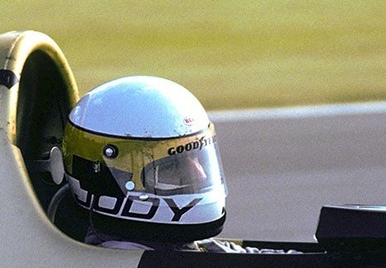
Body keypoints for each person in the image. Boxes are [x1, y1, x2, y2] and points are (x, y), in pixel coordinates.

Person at [48, 76, 281, 253]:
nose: (201, 176)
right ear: (107, 178)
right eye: (171, 168)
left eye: (198, 159)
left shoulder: (179, 251)